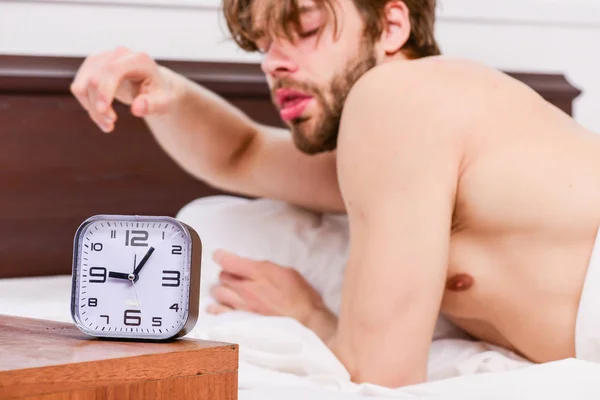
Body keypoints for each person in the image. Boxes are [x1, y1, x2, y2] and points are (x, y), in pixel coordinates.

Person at [70, 0, 600, 388]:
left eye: (304, 27)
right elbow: (244, 155)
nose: (272, 63)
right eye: (262, 45)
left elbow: (380, 376)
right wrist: (161, 88)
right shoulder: (408, 142)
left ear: (392, 25)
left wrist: (308, 314)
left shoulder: (398, 97)